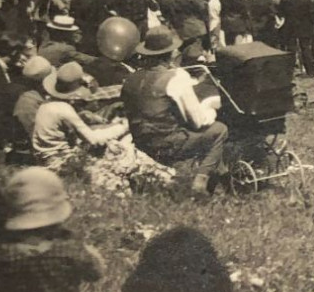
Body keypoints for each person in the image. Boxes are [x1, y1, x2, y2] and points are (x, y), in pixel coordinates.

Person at [121, 26, 228, 194]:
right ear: (171, 53)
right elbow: (198, 121)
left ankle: (225, 177)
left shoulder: (130, 79)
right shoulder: (176, 77)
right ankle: (201, 181)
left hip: (141, 143)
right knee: (219, 130)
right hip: (168, 144)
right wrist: (210, 109)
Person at [29, 61, 129, 169]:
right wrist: (123, 127)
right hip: (59, 161)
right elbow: (94, 139)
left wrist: (83, 115)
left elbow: (60, 122)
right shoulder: (65, 110)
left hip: (42, 157)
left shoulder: (46, 104)